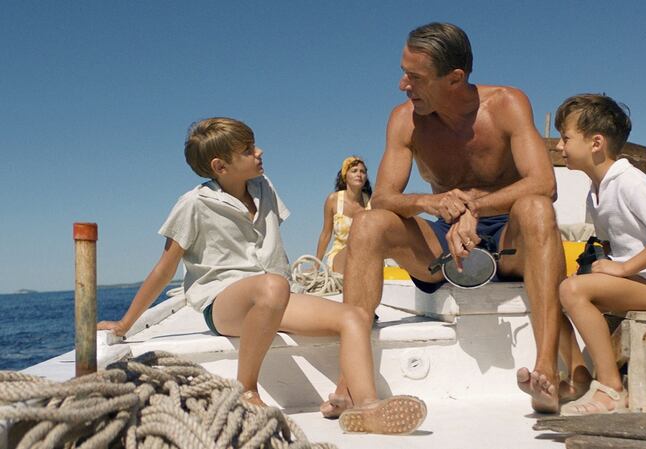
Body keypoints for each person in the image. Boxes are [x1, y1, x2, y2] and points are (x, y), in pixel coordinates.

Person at [97, 117, 426, 434]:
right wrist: (125, 324)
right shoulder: (193, 204)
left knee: (355, 315)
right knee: (273, 285)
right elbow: (164, 268)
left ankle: (366, 407)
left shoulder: (263, 187)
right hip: (225, 304)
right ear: (219, 167)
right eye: (248, 150)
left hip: (276, 295)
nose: (260, 152)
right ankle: (246, 389)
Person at [340, 22, 584, 414]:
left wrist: (472, 207)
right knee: (368, 224)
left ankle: (545, 373)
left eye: (415, 77)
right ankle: (349, 381)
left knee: (537, 207)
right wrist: (431, 203)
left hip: (510, 238)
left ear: (454, 78)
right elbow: (384, 198)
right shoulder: (405, 120)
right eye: (404, 73)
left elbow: (544, 183)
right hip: (441, 240)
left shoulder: (507, 104)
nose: (403, 85)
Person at [554, 94, 646, 415]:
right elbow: (612, 246)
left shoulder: (632, 182)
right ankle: (580, 378)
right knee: (551, 294)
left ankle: (612, 389)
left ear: (596, 142)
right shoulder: (595, 193)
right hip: (634, 283)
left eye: (566, 138)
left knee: (571, 289)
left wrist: (623, 268)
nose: (560, 147)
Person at [315, 156, 372, 273]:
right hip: (341, 256)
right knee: (354, 249)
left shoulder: (372, 203)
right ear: (345, 176)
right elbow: (326, 234)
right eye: (354, 171)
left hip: (367, 256)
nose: (359, 174)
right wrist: (316, 266)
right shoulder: (333, 200)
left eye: (363, 171)